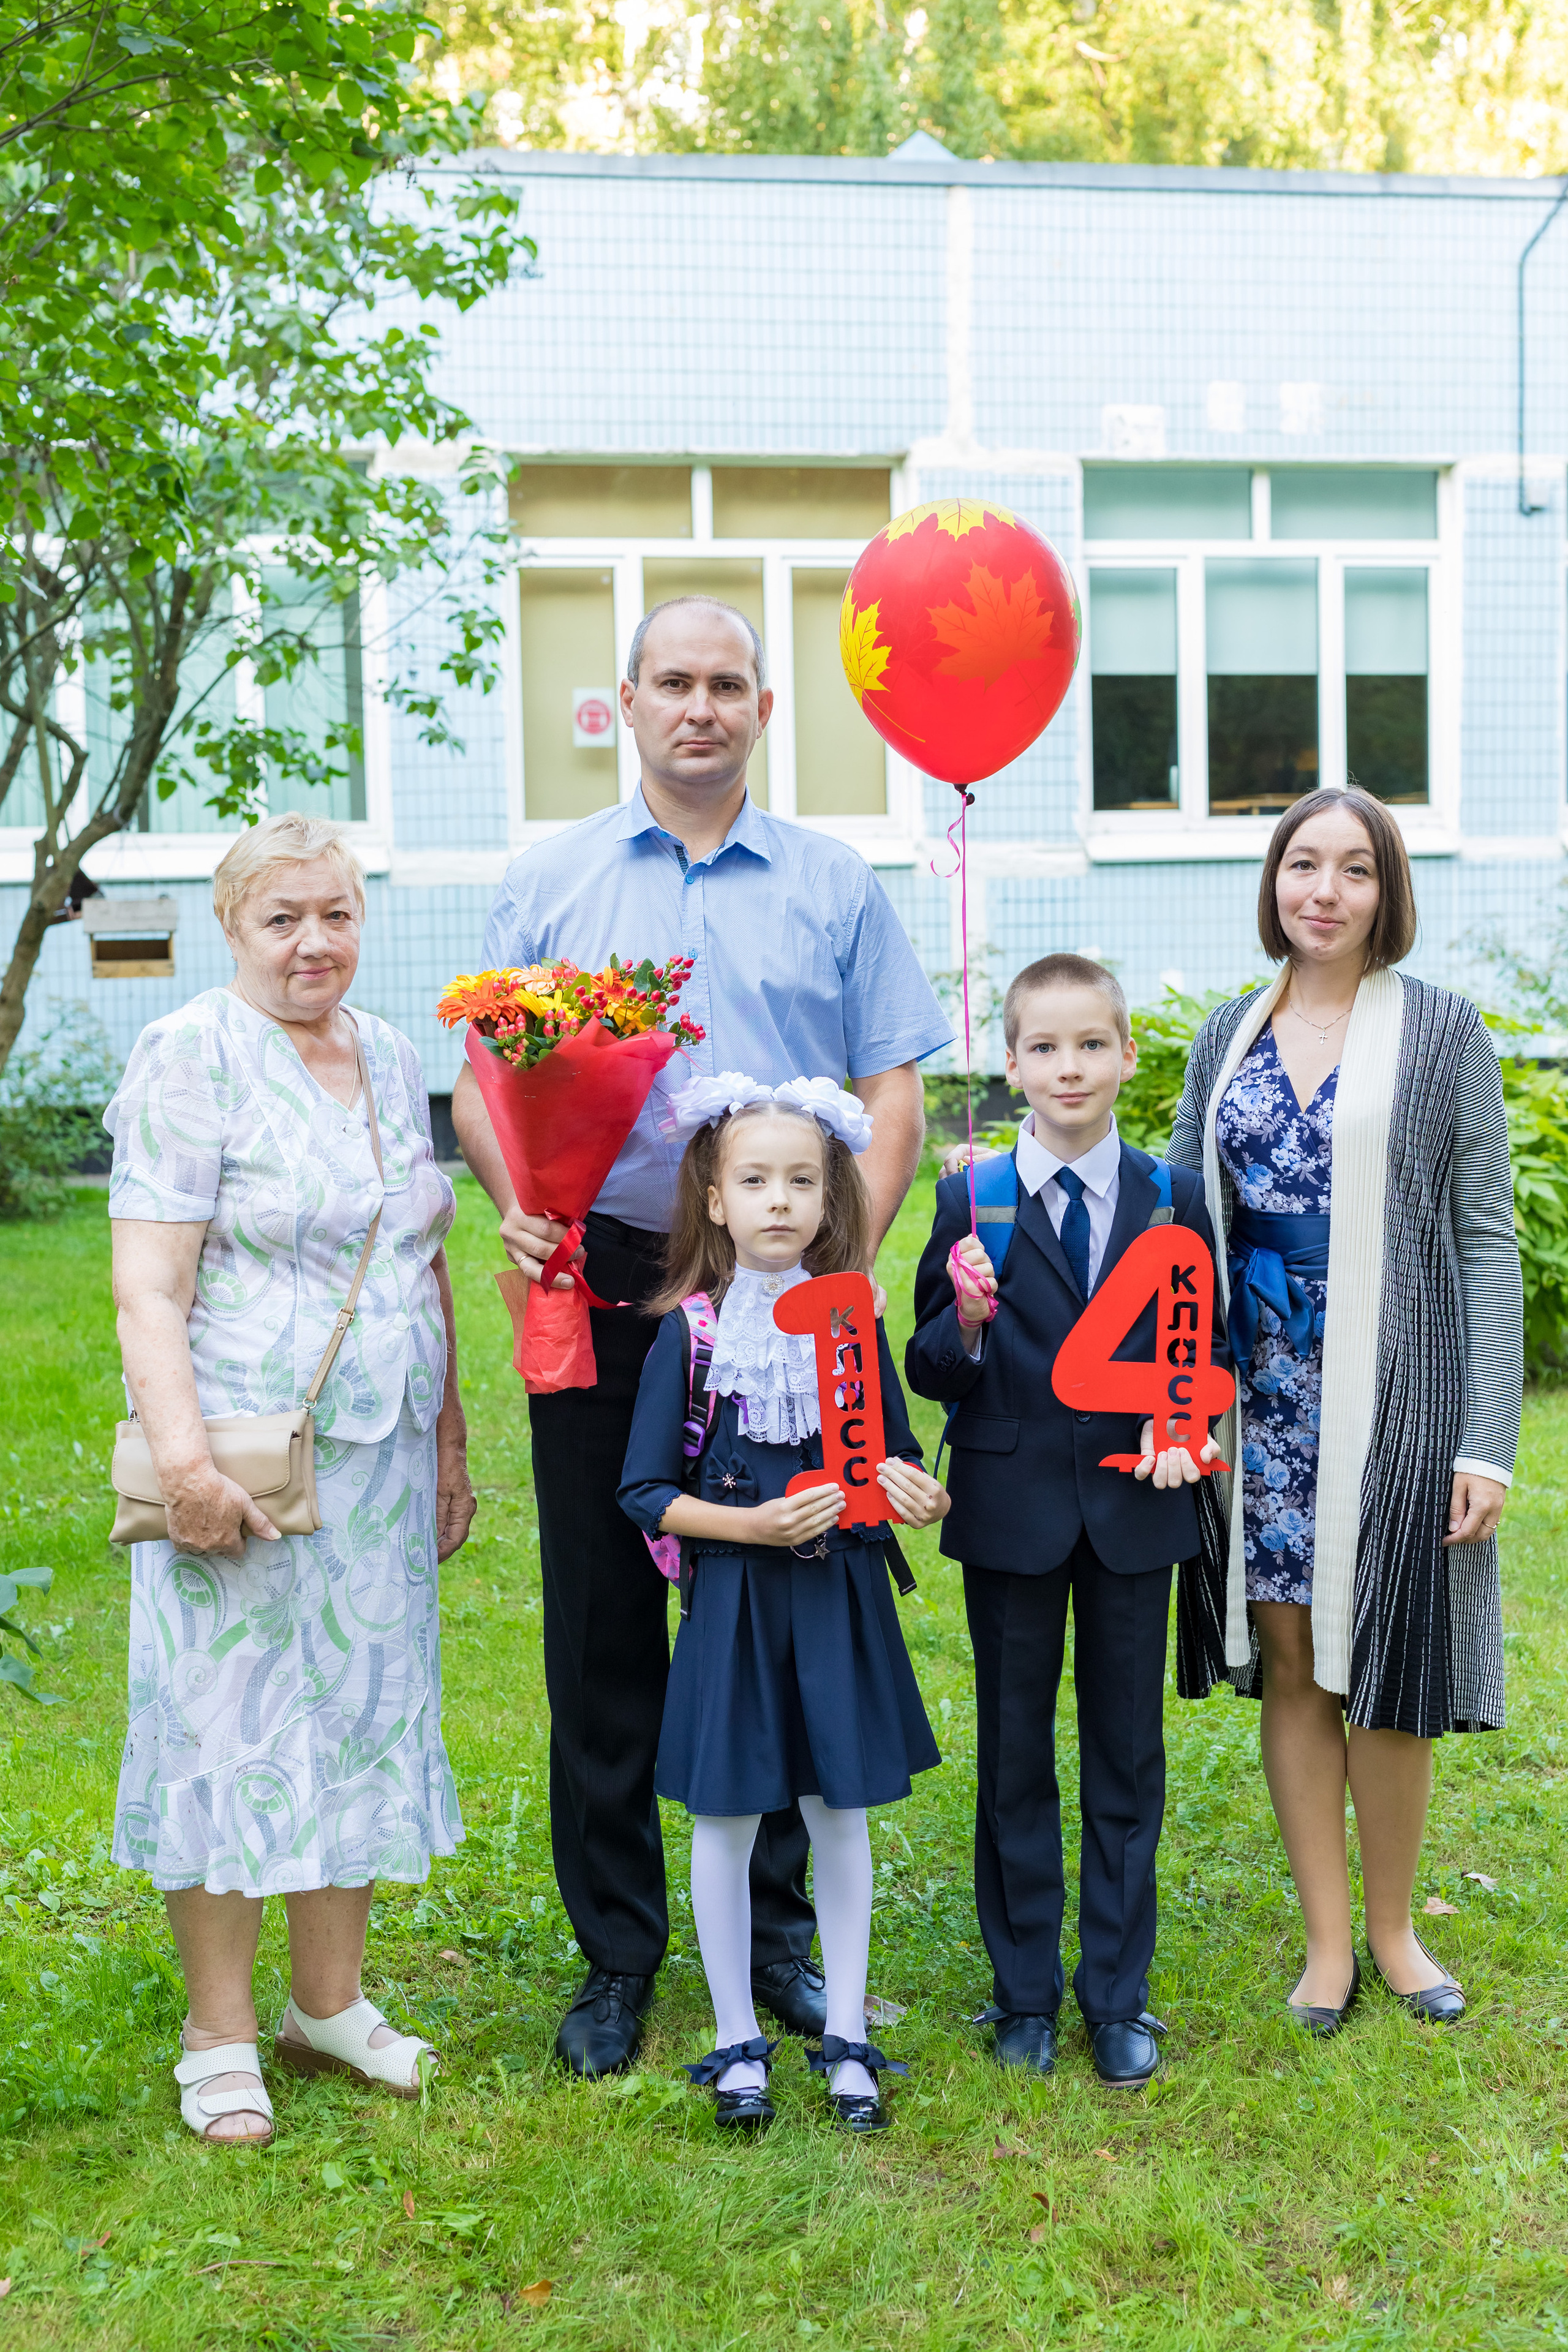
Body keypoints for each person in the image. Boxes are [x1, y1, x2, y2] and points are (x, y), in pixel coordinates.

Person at [453, 594, 950, 2076]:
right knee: (605, 1618)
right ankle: (617, 1956)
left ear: (762, 709)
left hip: (787, 1289)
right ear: (625, 701)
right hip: (603, 1277)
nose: (699, 707)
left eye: (727, 684)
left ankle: (784, 1944)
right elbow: (486, 1079)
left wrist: (831, 1271)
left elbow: (894, 1087)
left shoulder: (832, 883)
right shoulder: (550, 882)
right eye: (672, 681)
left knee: (785, 1604)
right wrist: (516, 1203)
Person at [107, 811, 476, 2146]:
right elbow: (148, 1286)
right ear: (232, 928)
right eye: (283, 919)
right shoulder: (188, 1056)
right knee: (230, 1728)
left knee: (364, 1718)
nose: (313, 942)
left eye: (335, 914)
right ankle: (217, 2036)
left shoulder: (383, 1051)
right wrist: (189, 1465)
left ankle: (327, 2007)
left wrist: (448, 1437)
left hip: (375, 1456)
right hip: (246, 1467)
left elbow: (418, 1248)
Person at [1168, 787, 1522, 2034]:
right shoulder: (1225, 1035)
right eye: (1300, 864)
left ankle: (1393, 1932)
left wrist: (1485, 1439)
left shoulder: (1441, 1036)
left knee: (1386, 1662)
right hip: (1255, 1399)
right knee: (1292, 1662)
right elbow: (1174, 1225)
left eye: (1352, 869)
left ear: (1387, 893)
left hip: (1400, 1394)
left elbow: (1486, 1240)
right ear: (1271, 882)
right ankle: (1325, 1946)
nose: (1321, 888)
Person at [906, 954, 1227, 2090]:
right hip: (1011, 1513)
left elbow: (1210, 1351)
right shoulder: (970, 1199)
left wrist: (1192, 1427)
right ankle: (1024, 1992)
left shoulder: (1172, 1200)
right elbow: (931, 1365)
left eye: (1091, 1043)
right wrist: (976, 1321)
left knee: (1127, 1756)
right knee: (1014, 1754)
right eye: (1044, 1047)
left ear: (1129, 1054)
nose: (1069, 1066)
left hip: (1139, 1513)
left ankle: (1118, 1995)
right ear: (1011, 1065)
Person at [618, 1074, 947, 2134]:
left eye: (801, 1181)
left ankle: (845, 2034)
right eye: (753, 1180)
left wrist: (919, 1492)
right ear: (714, 1200)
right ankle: (733, 2036)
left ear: (829, 1195)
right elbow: (643, 1491)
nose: (778, 1201)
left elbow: (894, 1458)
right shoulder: (696, 1332)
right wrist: (747, 1528)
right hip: (737, 1606)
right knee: (726, 1816)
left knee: (837, 1810)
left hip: (841, 1596)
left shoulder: (851, 1326)